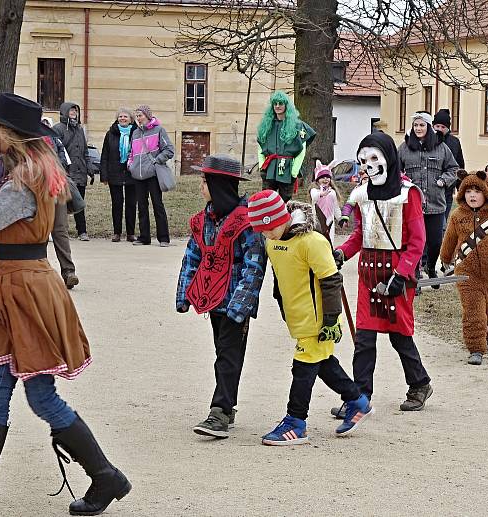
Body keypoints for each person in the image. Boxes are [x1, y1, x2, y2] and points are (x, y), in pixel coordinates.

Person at [0, 93, 130, 517]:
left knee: (36, 396)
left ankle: (104, 475)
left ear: (9, 134)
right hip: (15, 285)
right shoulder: (27, 171)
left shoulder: (24, 179)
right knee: (5, 393)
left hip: (25, 288)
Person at [246, 191, 373, 445]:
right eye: (261, 230)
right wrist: (281, 303)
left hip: (319, 321)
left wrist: (330, 320)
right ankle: (357, 401)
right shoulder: (273, 242)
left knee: (302, 368)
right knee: (323, 362)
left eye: (269, 227)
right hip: (298, 318)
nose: (267, 234)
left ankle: (296, 422)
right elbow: (281, 277)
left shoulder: (312, 242)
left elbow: (331, 281)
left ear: (282, 217)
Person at [332, 132, 434, 416]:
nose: (368, 164)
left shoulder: (408, 193)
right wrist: (342, 253)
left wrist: (402, 274)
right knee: (364, 339)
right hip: (369, 275)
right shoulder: (362, 193)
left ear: (388, 157)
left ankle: (420, 384)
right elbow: (359, 235)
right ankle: (359, 396)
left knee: (399, 335)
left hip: (395, 275)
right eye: (363, 159)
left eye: (374, 158)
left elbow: (417, 241)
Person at [176, 155, 266, 439]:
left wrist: (240, 305)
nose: (201, 187)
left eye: (205, 181)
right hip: (211, 299)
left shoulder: (246, 221)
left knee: (227, 356)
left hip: (235, 302)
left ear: (219, 185)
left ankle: (219, 412)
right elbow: (193, 256)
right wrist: (184, 294)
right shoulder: (204, 220)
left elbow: (255, 264)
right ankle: (227, 408)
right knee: (224, 353)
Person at [440, 170, 488, 365]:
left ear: (486, 192)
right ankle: (475, 348)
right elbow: (449, 239)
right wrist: (445, 258)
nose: (472, 195)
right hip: (466, 272)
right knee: (473, 310)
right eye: (468, 191)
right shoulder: (457, 216)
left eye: (477, 190)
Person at [397, 111, 459, 283]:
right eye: (416, 125)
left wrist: (443, 181)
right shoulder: (404, 148)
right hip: (412, 205)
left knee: (435, 242)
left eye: (422, 125)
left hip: (435, 204)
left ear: (428, 127)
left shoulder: (441, 147)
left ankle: (430, 267)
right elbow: (395, 170)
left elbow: (454, 169)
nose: (418, 128)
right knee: (414, 242)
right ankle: (414, 275)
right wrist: (402, 182)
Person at [256, 91, 316, 202]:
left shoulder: (298, 126)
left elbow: (301, 151)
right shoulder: (266, 125)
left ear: (286, 106)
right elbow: (260, 147)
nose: (277, 106)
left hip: (287, 169)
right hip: (269, 169)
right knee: (267, 200)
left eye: (280, 103)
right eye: (275, 104)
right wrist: (261, 166)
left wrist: (294, 171)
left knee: (285, 202)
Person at [42, 117, 80, 289]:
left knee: (60, 230)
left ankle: (69, 272)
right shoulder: (24, 138)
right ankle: (39, 273)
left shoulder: (53, 138)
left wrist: (56, 168)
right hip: (36, 189)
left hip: (57, 186)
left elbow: (64, 160)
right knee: (39, 230)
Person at [128, 105, 173, 246]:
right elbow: (131, 153)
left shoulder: (159, 130)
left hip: (153, 174)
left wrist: (156, 161)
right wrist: (130, 165)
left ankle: (164, 238)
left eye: (140, 115)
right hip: (138, 175)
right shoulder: (135, 133)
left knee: (157, 205)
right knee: (141, 206)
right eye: (137, 116)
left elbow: (169, 150)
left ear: (147, 116)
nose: (138, 118)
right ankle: (144, 237)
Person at [53, 102, 93, 241]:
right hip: (65, 172)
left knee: (79, 202)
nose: (73, 113)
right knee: (63, 204)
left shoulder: (80, 129)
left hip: (80, 172)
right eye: (71, 110)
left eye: (75, 111)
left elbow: (85, 151)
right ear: (64, 112)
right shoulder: (57, 129)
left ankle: (82, 231)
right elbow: (56, 150)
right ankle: (62, 231)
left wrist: (89, 167)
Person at [100, 108, 137, 242]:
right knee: (117, 204)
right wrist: (104, 175)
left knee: (131, 204)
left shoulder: (136, 133)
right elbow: (105, 155)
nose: (122, 118)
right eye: (120, 116)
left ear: (131, 119)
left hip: (132, 174)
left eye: (125, 116)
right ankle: (117, 232)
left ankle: (130, 233)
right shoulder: (110, 133)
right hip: (114, 173)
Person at [433, 108, 465, 228]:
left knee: (443, 222)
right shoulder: (427, 141)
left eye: (443, 127)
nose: (440, 129)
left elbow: (459, 164)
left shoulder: (454, 142)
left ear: (448, 128)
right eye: (437, 126)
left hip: (447, 188)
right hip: (432, 187)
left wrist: (460, 186)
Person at [309, 159, 341, 242]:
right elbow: (314, 197)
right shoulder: (314, 190)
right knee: (318, 240)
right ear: (317, 179)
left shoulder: (332, 192)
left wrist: (340, 218)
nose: (325, 179)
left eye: (328, 177)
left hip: (330, 220)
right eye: (323, 177)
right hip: (317, 220)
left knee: (330, 240)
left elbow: (336, 207)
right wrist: (321, 194)